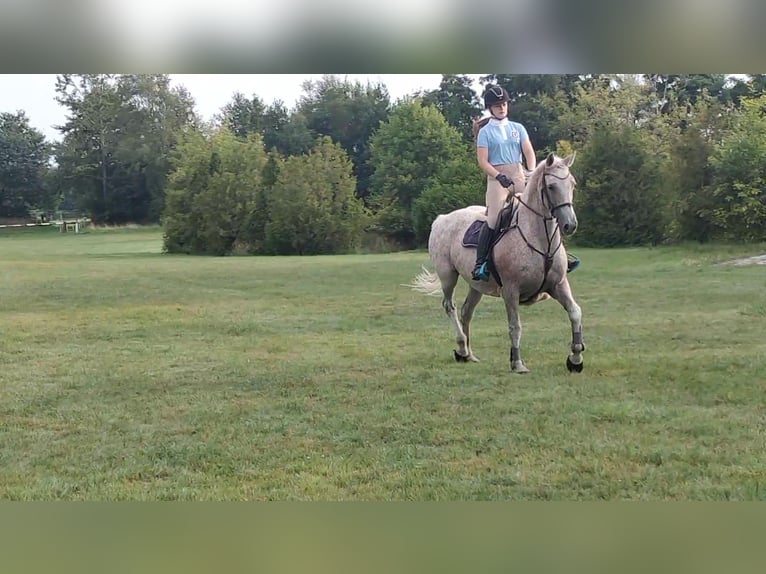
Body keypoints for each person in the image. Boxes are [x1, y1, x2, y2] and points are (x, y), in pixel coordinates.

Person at [471, 84, 537, 281]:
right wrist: (498, 175)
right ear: (490, 108)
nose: (502, 108)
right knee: (493, 219)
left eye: (504, 104)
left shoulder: (518, 128)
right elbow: (482, 161)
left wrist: (531, 172)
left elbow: (528, 152)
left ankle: (560, 257)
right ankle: (480, 263)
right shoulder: (485, 132)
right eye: (498, 105)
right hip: (497, 179)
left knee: (540, 210)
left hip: (519, 174)